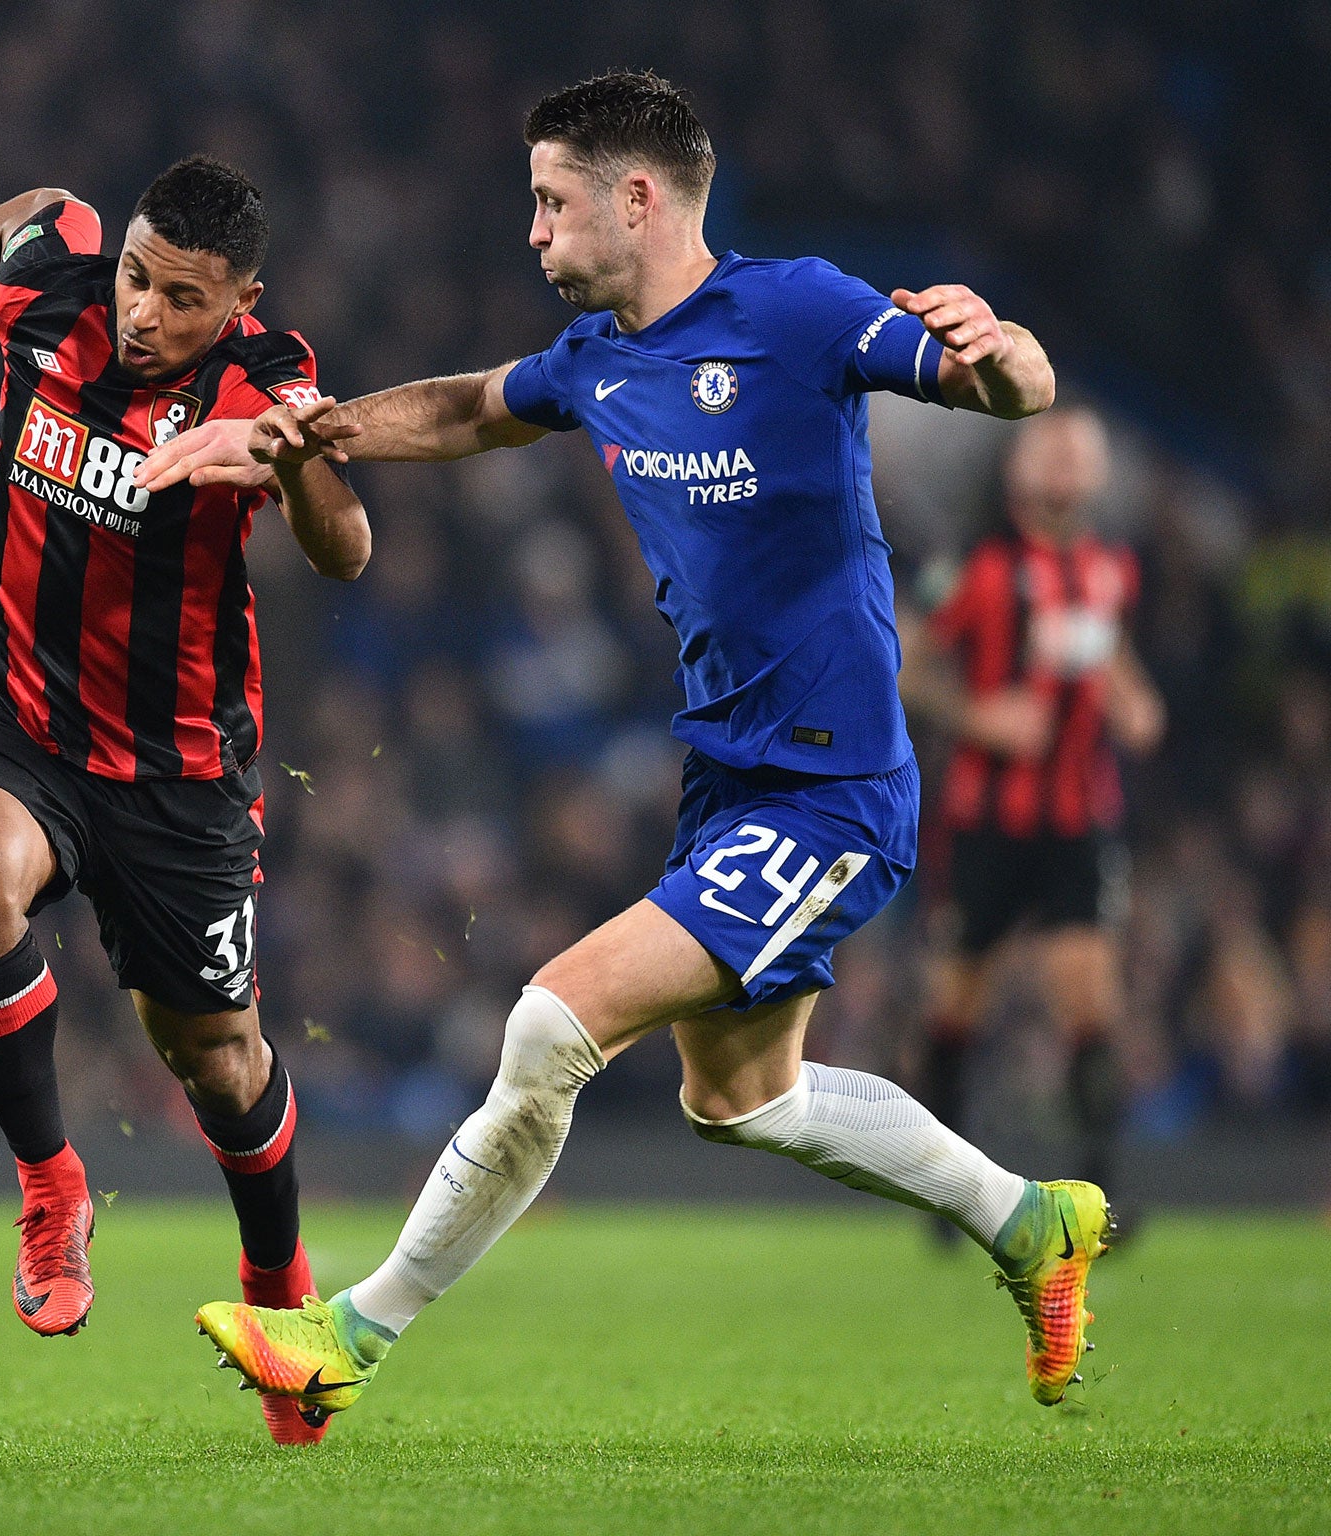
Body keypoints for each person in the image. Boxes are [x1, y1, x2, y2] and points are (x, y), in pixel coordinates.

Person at [143, 70, 1104, 1421]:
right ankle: (1028, 1221)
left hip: (832, 788)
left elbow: (1011, 392)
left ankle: (349, 1336)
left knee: (549, 1023)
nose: (531, 232)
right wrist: (314, 428)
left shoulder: (795, 308)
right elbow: (473, 408)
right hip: (731, 780)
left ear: (635, 199)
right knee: (744, 1100)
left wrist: (1002, 347)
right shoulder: (597, 359)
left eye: (550, 203)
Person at [0, 156, 369, 1445]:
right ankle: (49, 1184)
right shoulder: (58, 286)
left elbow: (347, 550)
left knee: (216, 1060)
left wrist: (285, 461)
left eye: (183, 299)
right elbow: (25, 210)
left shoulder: (265, 378)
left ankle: (284, 1309)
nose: (143, 313)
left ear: (240, 300)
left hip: (175, 774)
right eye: (138, 277)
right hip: (10, 722)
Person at [903, 407, 1164, 1240]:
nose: (1064, 465)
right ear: (1018, 466)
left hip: (1080, 821)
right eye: (1049, 448)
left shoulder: (1110, 566)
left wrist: (1133, 698)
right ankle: (944, 1200)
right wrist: (981, 717)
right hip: (984, 821)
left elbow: (1105, 649)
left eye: (1078, 452)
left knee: (1092, 1004)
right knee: (956, 1011)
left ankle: (1099, 1201)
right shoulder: (976, 563)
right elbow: (906, 661)